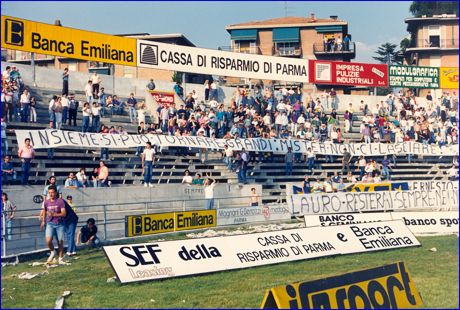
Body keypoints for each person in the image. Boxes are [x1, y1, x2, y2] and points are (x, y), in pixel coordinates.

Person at [40, 186, 67, 264]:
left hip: (60, 224)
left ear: (56, 193)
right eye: (49, 193)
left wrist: (54, 214)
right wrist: (43, 221)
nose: (51, 194)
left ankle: (61, 258)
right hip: (50, 223)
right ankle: (52, 251)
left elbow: (64, 213)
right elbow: (44, 211)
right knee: (48, 241)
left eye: (52, 192)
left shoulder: (60, 201)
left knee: (60, 242)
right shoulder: (46, 202)